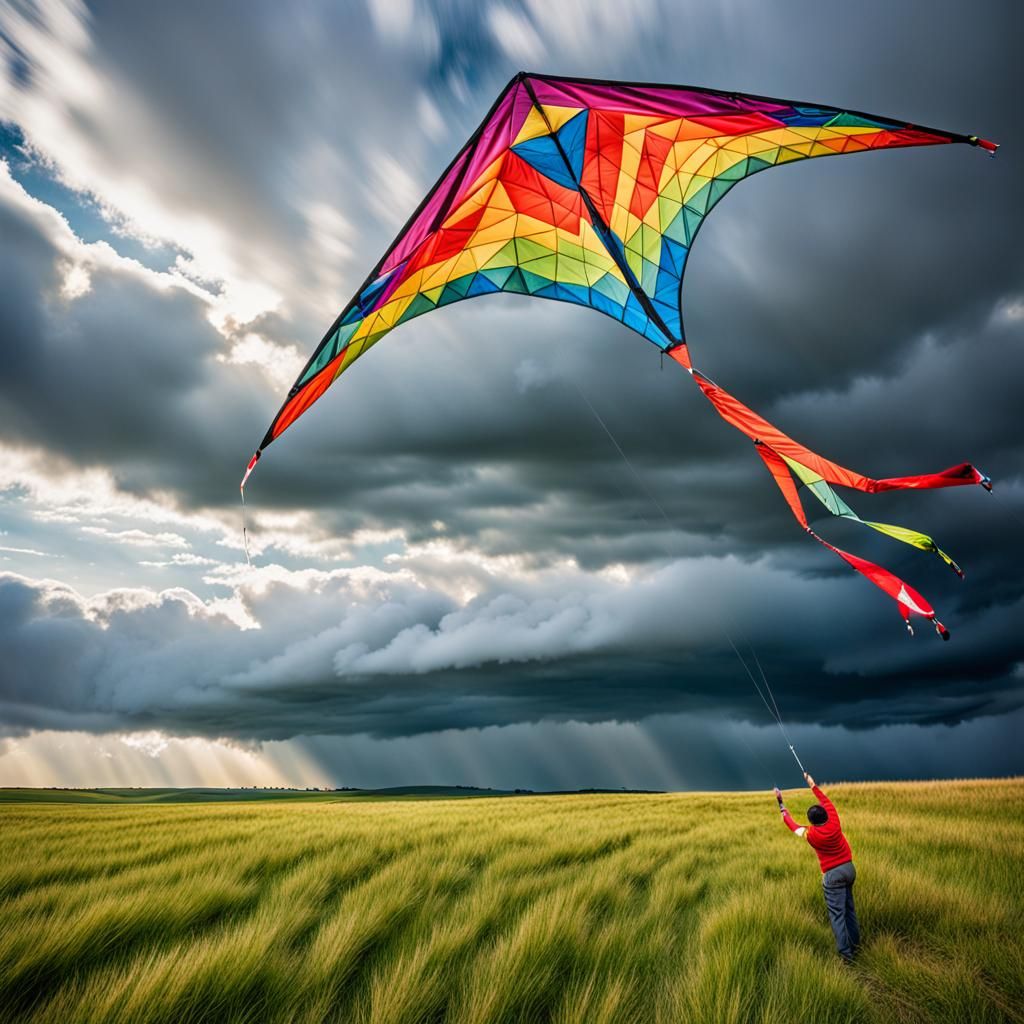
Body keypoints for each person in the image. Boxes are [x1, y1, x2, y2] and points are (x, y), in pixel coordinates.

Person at [773, 771, 860, 962]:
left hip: (833, 876)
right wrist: (811, 783)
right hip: (849, 869)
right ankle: (856, 945)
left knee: (837, 915)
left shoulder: (812, 835)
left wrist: (781, 805)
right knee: (849, 909)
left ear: (812, 822)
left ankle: (847, 957)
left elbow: (793, 825)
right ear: (826, 814)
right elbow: (825, 799)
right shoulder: (835, 820)